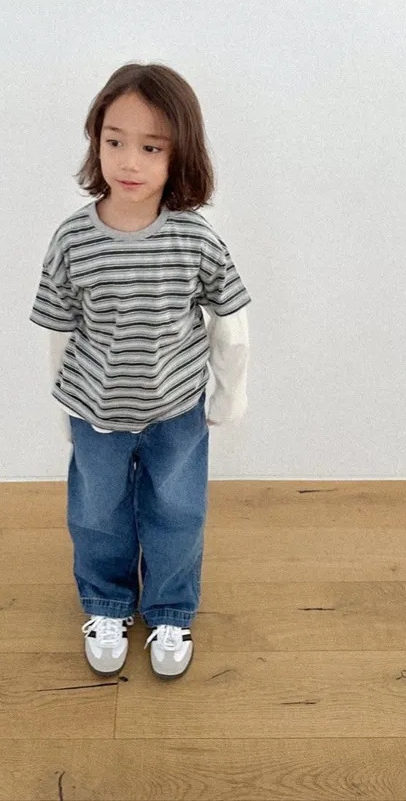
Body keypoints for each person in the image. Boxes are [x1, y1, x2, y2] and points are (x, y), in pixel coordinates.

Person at [29, 62, 251, 680]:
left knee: (177, 510)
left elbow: (229, 319)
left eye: (151, 147)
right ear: (95, 141)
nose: (129, 161)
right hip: (96, 409)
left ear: (180, 153)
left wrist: (230, 393)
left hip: (176, 409)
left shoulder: (195, 239)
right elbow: (61, 328)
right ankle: (106, 604)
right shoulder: (73, 240)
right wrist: (63, 403)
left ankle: (171, 610)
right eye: (115, 141)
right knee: (96, 512)